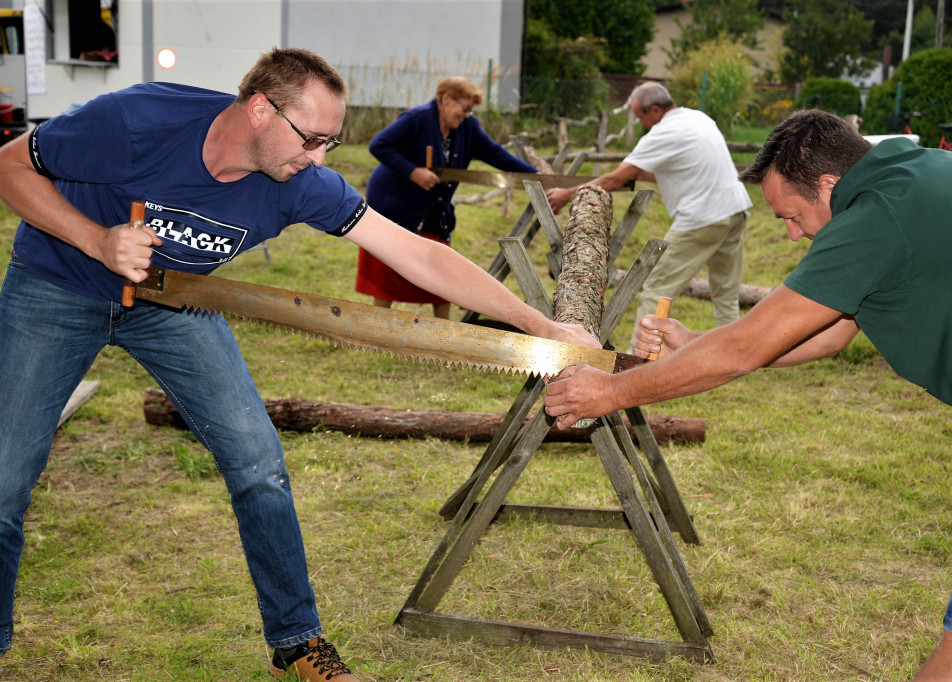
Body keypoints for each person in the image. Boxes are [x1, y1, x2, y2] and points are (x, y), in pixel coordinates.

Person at [0, 48, 597, 681]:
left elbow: (417, 256)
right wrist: (96, 239)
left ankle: (297, 641)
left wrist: (541, 327)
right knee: (7, 479)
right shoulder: (137, 120)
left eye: (329, 143)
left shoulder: (299, 181)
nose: (317, 158)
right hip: (56, 286)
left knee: (258, 464)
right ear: (260, 109)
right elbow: (10, 166)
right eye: (311, 139)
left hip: (173, 302)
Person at [543, 108, 952, 681]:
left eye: (792, 216)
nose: (793, 234)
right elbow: (831, 333)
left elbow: (746, 347)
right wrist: (695, 343)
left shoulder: (875, 217)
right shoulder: (920, 173)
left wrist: (611, 391)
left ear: (828, 184)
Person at [545, 81, 752, 333]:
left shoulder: (663, 132)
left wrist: (566, 194)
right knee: (726, 295)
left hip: (703, 217)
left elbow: (615, 178)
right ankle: (732, 358)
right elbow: (683, 171)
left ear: (655, 110)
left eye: (640, 117)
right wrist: (640, 175)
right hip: (735, 210)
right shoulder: (697, 119)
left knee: (656, 289)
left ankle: (641, 361)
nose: (641, 123)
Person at [356, 76, 537, 320]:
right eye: (465, 108)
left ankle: (443, 331)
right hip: (394, 204)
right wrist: (413, 171)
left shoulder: (467, 127)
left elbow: (493, 153)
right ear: (446, 99)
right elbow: (379, 145)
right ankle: (377, 331)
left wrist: (535, 175)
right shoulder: (416, 119)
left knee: (441, 269)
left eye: (471, 110)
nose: (467, 114)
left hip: (433, 207)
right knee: (387, 270)